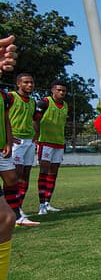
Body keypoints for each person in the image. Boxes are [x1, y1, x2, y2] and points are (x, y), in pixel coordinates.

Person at [0, 35, 63, 280]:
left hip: (12, 143)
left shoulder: (8, 96)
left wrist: (9, 137)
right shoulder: (15, 98)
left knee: (5, 216)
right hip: (19, 144)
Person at [33, 80, 68, 215]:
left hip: (59, 143)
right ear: (53, 90)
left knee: (53, 174)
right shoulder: (44, 102)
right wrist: (37, 136)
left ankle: (48, 203)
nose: (61, 93)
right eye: (59, 90)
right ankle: (41, 205)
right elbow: (35, 119)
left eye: (63, 90)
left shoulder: (65, 105)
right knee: (44, 172)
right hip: (45, 142)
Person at [7, 73, 38, 225]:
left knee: (25, 175)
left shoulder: (32, 101)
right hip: (16, 142)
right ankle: (11, 210)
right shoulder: (10, 97)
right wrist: (9, 136)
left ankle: (18, 207)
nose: (30, 85)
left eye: (31, 82)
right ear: (18, 83)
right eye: (26, 82)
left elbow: (34, 119)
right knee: (15, 175)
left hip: (29, 142)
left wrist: (36, 135)